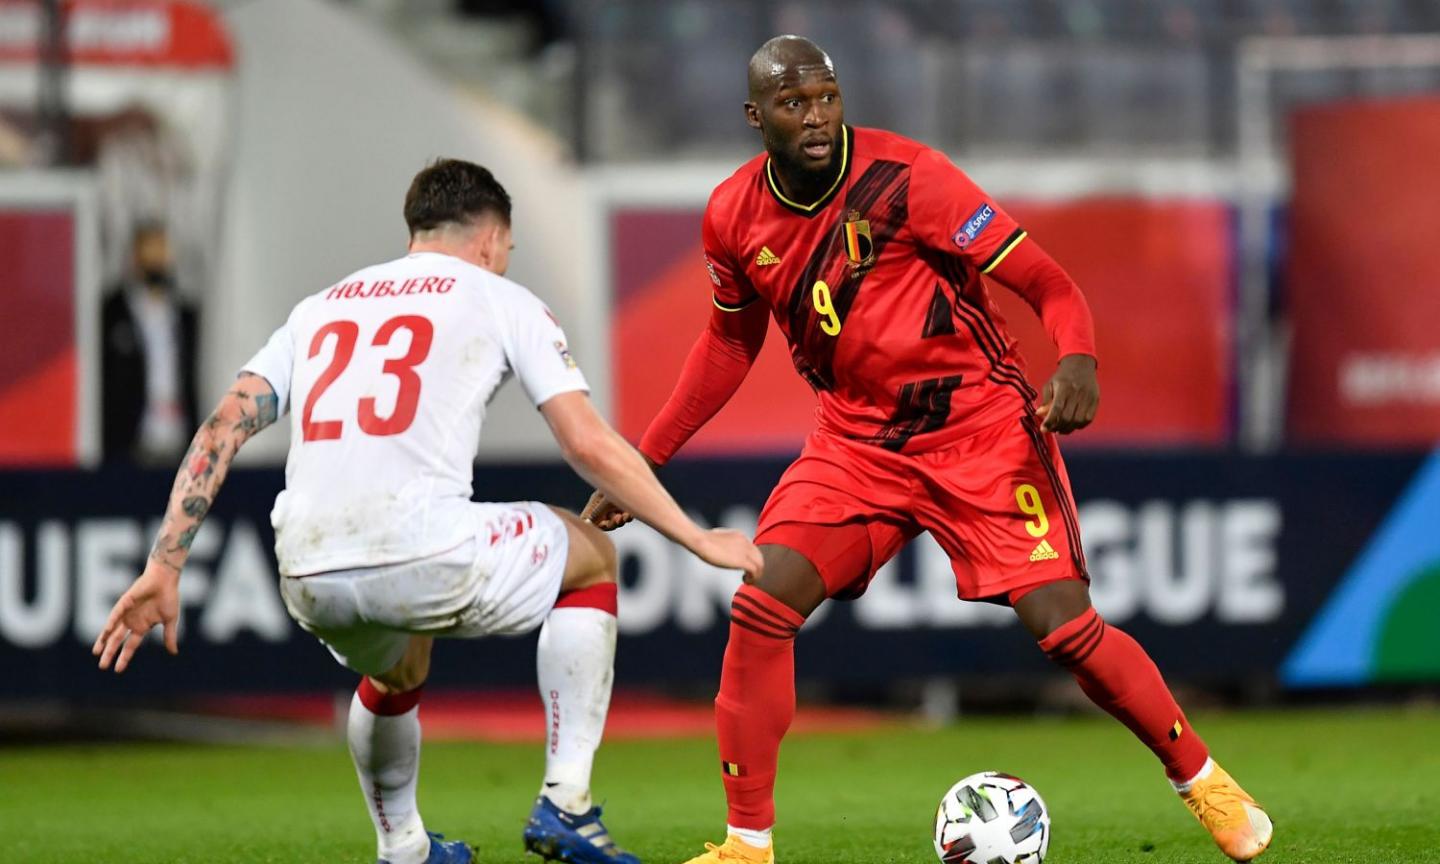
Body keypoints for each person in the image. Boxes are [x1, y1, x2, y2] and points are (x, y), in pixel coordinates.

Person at [582, 36, 1272, 864]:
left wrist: (1078, 357)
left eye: (827, 98)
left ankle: (1199, 778)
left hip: (980, 429)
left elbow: (1050, 284)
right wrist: (644, 460)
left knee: (1065, 630)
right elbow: (728, 346)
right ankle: (746, 845)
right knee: (762, 605)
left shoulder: (909, 179)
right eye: (794, 103)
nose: (816, 118)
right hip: (857, 443)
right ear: (754, 115)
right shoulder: (733, 214)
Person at [93, 159, 764, 864]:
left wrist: (164, 566)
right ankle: (566, 804)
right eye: (507, 249)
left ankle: (404, 848)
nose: (505, 261)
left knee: (396, 668)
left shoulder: (319, 307)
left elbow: (221, 427)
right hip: (421, 549)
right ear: (490, 237)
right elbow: (587, 443)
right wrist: (693, 537)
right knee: (592, 555)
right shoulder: (499, 297)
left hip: (308, 569)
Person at [101, 222, 200, 465]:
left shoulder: (185, 315)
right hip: (130, 444)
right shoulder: (113, 313)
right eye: (150, 250)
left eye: (162, 250)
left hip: (178, 440)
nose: (157, 259)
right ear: (135, 256)